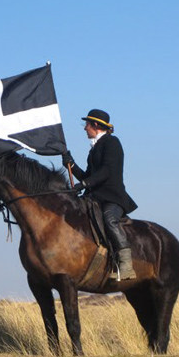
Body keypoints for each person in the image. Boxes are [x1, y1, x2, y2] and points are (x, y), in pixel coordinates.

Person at [62, 109, 138, 280]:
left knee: (109, 219)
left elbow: (107, 171)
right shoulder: (94, 149)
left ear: (95, 125)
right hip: (94, 197)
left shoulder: (111, 142)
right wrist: (71, 165)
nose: (84, 128)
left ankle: (126, 264)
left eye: (86, 125)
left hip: (112, 197)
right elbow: (89, 176)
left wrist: (84, 184)